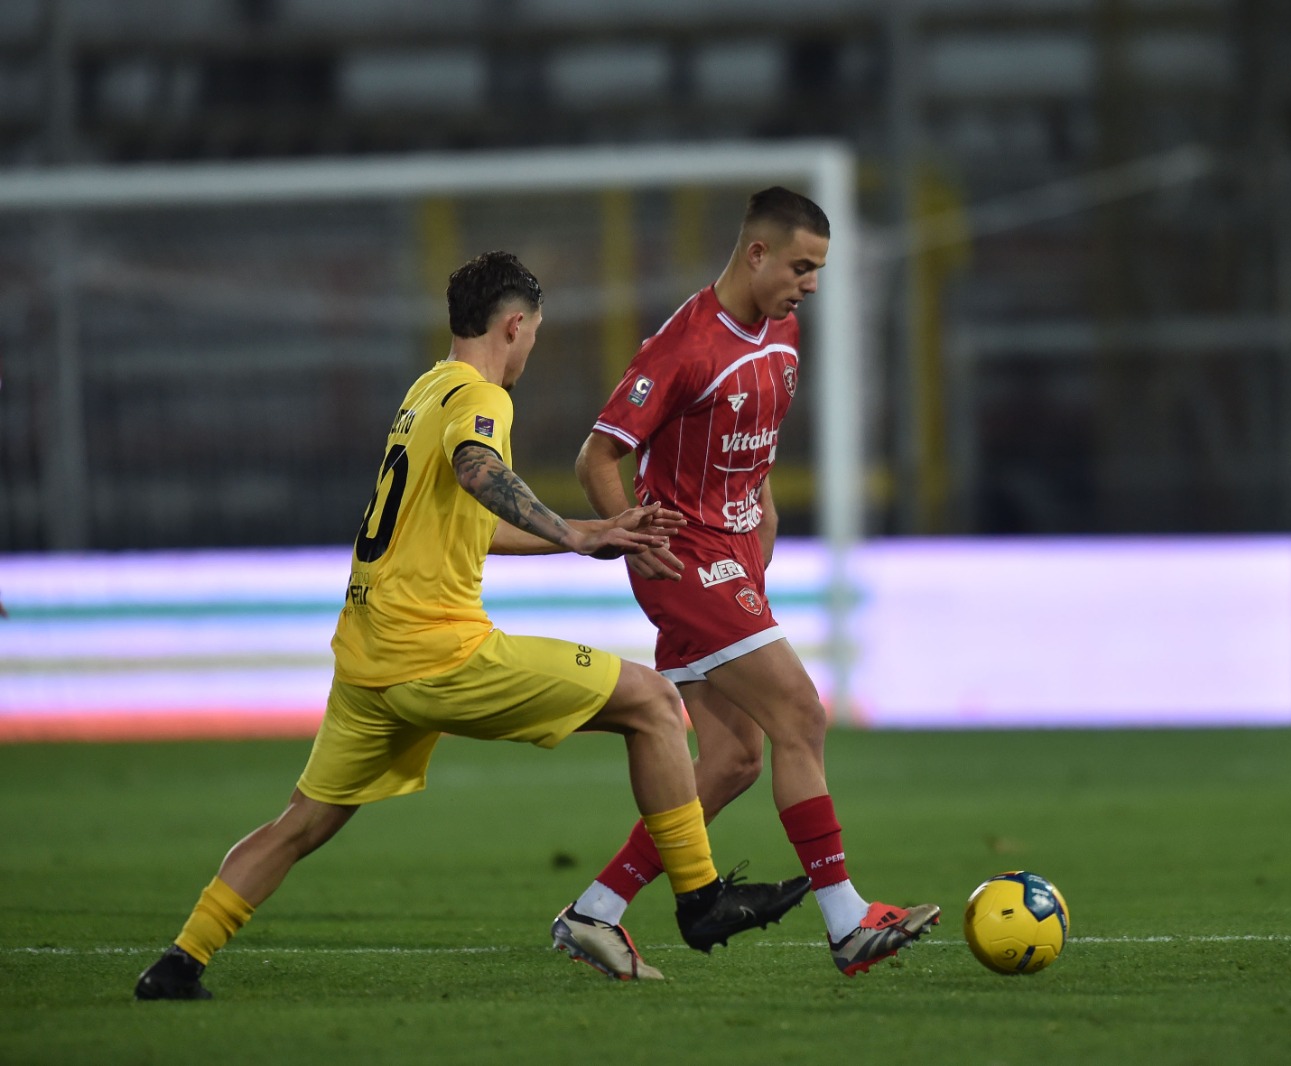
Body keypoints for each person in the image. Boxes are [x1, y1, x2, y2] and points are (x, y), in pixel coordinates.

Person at [135, 251, 807, 1000]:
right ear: (514, 325)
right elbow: (479, 470)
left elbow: (468, 525)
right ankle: (701, 899)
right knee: (653, 703)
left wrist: (588, 531)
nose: (531, 348)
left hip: (368, 662)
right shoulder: (481, 398)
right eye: (535, 334)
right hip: (437, 653)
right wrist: (575, 533)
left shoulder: (424, 391)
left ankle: (179, 961)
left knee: (302, 822)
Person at [556, 188, 940, 979]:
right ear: (757, 252)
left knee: (733, 760)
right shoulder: (682, 346)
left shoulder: (785, 332)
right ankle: (846, 921)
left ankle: (597, 909)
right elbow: (596, 456)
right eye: (802, 265)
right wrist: (627, 534)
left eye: (819, 268)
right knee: (803, 713)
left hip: (737, 562)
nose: (812, 283)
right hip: (686, 561)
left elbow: (746, 443)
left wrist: (759, 514)